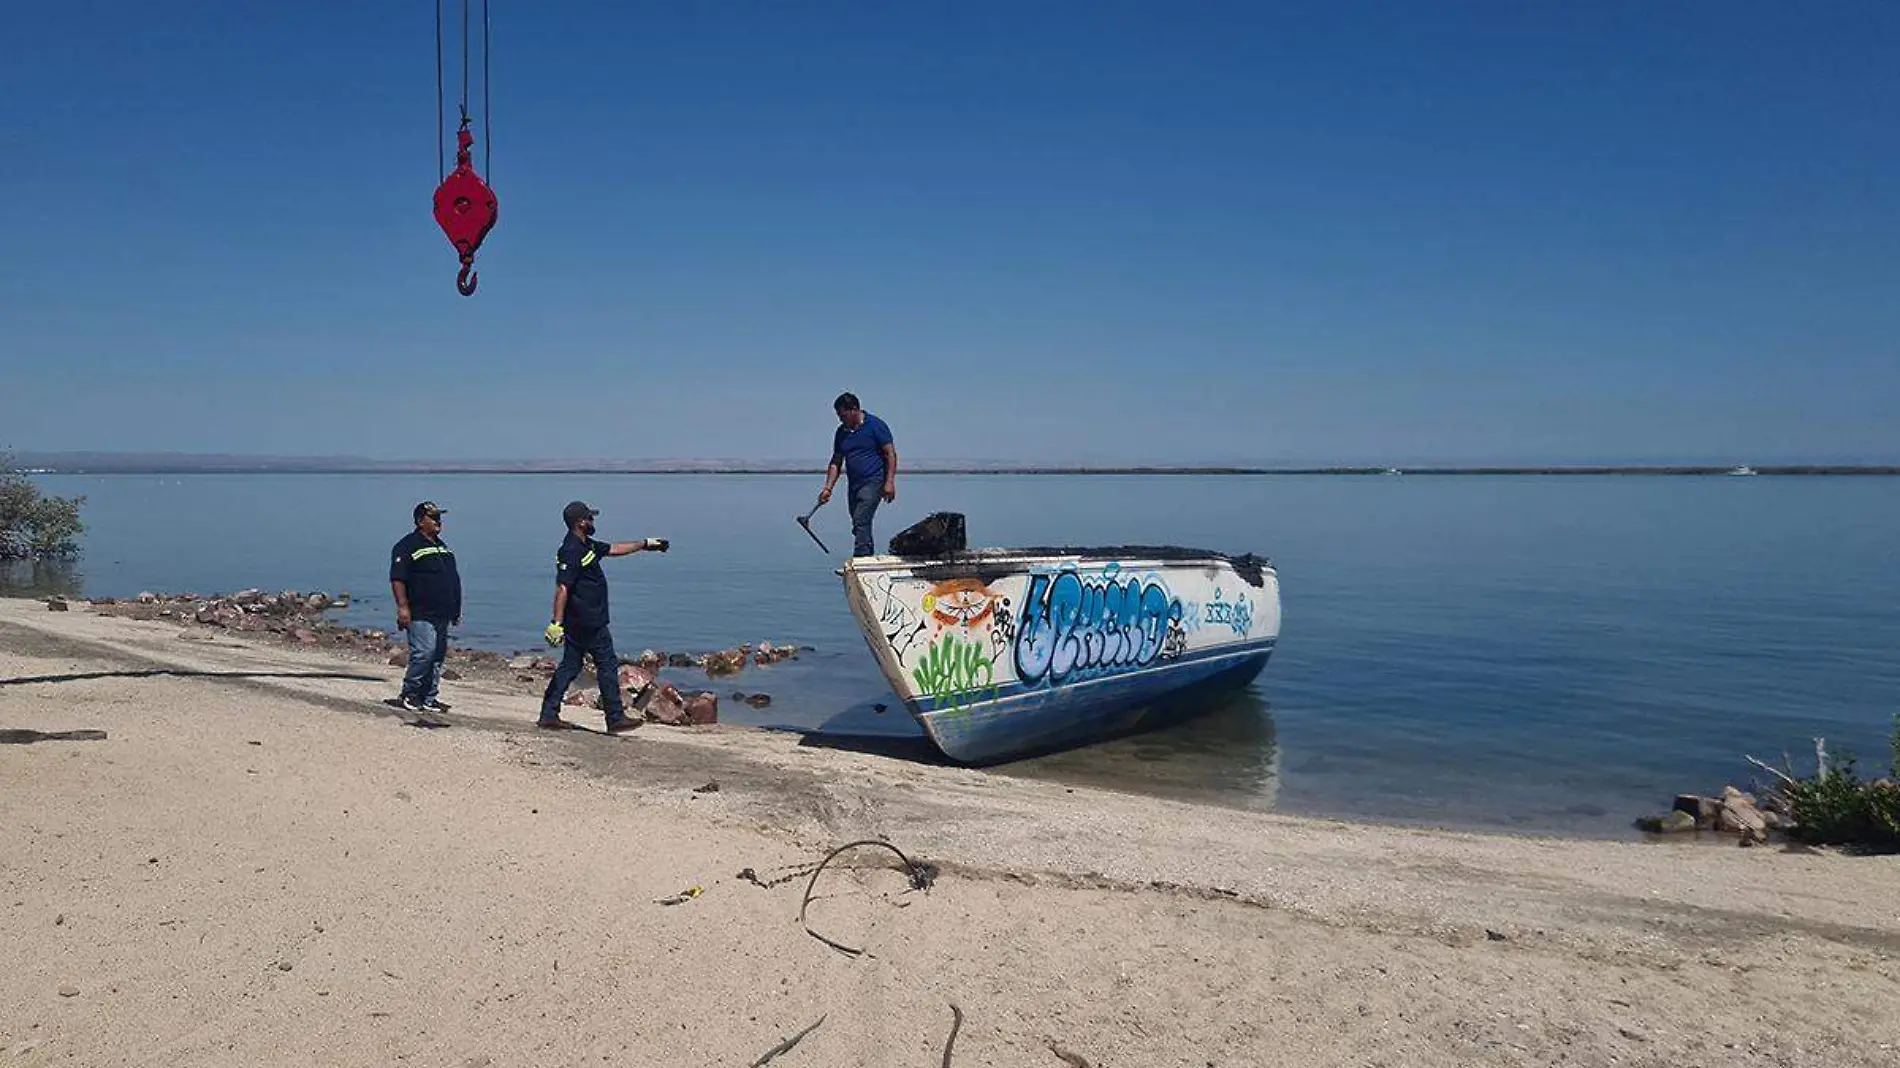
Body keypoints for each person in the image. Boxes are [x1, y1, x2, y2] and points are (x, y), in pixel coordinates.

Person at [537, 500, 669, 731]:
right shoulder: (571, 550)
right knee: (607, 665)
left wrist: (645, 544)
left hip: (585, 620)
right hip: (586, 621)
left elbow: (613, 549)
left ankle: (549, 714)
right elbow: (563, 587)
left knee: (570, 665)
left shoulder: (587, 544)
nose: (593, 521)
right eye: (589, 518)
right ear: (580, 522)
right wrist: (556, 623)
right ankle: (615, 718)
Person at [389, 500, 461, 715]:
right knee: (424, 653)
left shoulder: (442, 547)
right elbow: (397, 578)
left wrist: (455, 610)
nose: (438, 522)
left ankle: (429, 696)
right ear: (421, 521)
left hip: (442, 612)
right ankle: (410, 693)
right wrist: (403, 607)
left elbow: (451, 579)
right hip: (420, 612)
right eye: (433, 517)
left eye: (439, 518)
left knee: (438, 656)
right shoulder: (407, 546)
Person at [818, 392, 897, 558]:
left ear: (854, 409)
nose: (840, 419)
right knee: (858, 523)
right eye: (839, 416)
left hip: (874, 480)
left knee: (861, 519)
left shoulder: (875, 425)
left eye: (843, 415)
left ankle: (861, 558)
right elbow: (836, 462)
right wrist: (828, 488)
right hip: (854, 484)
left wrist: (889, 482)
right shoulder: (841, 432)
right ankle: (868, 556)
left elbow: (890, 453)